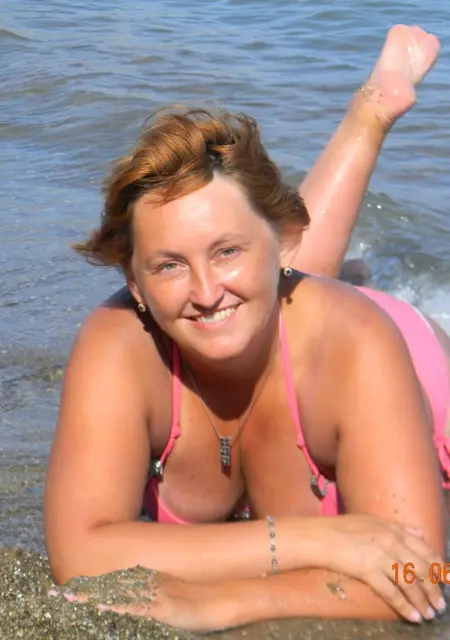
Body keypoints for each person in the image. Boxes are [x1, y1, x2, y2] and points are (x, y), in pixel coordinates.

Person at [44, 25, 449, 633]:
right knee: (245, 295)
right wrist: (318, 540)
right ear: (135, 283)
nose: (204, 289)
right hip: (284, 313)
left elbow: (424, 576)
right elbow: (79, 556)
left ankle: (371, 112)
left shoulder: (360, 346)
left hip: (393, 354)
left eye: (225, 251)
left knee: (272, 290)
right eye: (167, 265)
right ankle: (370, 111)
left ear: (286, 242)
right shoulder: (116, 342)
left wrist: (218, 602)